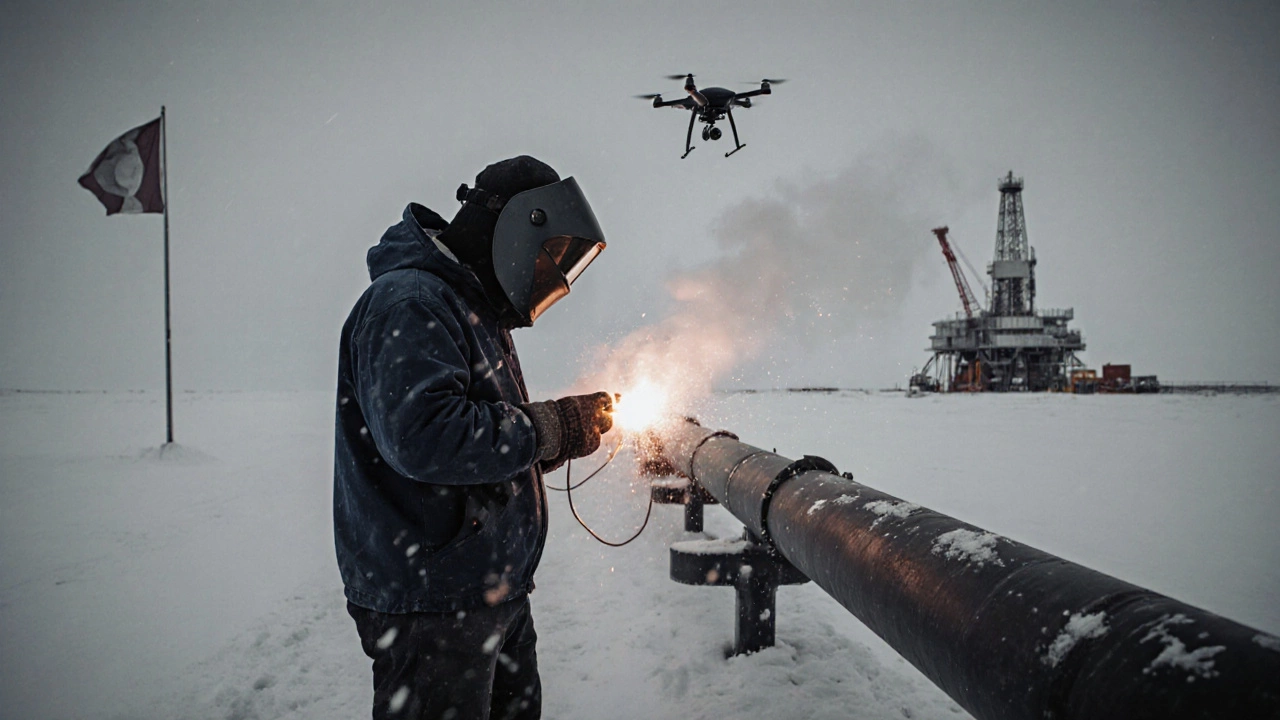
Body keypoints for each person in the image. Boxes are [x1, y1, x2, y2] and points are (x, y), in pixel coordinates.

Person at [334, 156, 614, 719]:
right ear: (517, 227)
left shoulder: (467, 306)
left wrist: (554, 440)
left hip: (485, 591)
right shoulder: (412, 302)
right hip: (435, 603)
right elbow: (425, 438)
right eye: (548, 255)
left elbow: (474, 445)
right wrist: (549, 428)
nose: (547, 274)